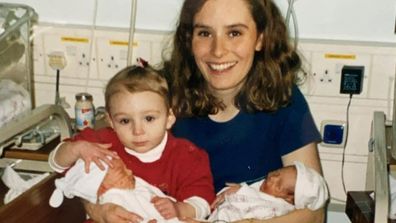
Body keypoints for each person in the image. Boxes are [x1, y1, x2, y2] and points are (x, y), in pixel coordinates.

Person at [162, 0, 325, 222]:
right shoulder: (161, 94)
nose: (218, 51)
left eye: (234, 33)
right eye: (204, 33)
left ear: (260, 38)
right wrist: (98, 207)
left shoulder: (284, 100)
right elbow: (104, 155)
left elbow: (314, 213)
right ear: (189, 39)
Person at [48, 61, 216, 222]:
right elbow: (56, 163)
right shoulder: (102, 142)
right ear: (111, 121)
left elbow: (203, 203)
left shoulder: (187, 156)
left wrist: (180, 209)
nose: (138, 131)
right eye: (125, 121)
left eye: (149, 118)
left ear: (169, 118)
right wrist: (77, 149)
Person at [50, 157, 183, 223]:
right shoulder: (114, 198)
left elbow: (150, 195)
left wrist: (162, 200)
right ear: (102, 188)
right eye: (122, 171)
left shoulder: (132, 185)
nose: (130, 171)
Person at [207, 161, 329, 222]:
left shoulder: (274, 210)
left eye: (279, 184)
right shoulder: (263, 191)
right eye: (277, 172)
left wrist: (241, 190)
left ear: (288, 200)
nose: (272, 178)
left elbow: (252, 207)